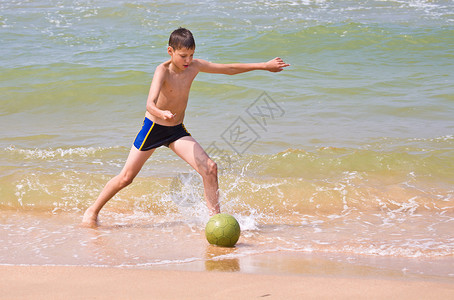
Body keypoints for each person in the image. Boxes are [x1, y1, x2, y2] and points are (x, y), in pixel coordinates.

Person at [81, 27, 290, 227]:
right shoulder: (162, 71)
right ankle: (92, 211)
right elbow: (149, 104)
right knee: (126, 178)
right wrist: (161, 113)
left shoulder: (194, 66)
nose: (188, 61)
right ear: (170, 51)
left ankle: (214, 221)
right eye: (183, 56)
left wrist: (264, 65)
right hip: (153, 129)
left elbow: (229, 69)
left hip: (176, 130)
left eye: (191, 55)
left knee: (210, 168)